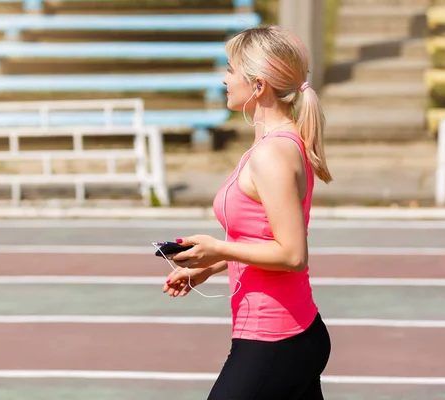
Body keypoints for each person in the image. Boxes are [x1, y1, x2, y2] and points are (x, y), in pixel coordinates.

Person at [161, 25, 332, 399]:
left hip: (276, 338)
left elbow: (292, 254)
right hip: (285, 334)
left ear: (258, 86)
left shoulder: (272, 154)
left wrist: (220, 249)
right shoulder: (271, 144)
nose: (223, 78)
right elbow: (262, 237)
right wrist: (207, 268)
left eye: (230, 69)